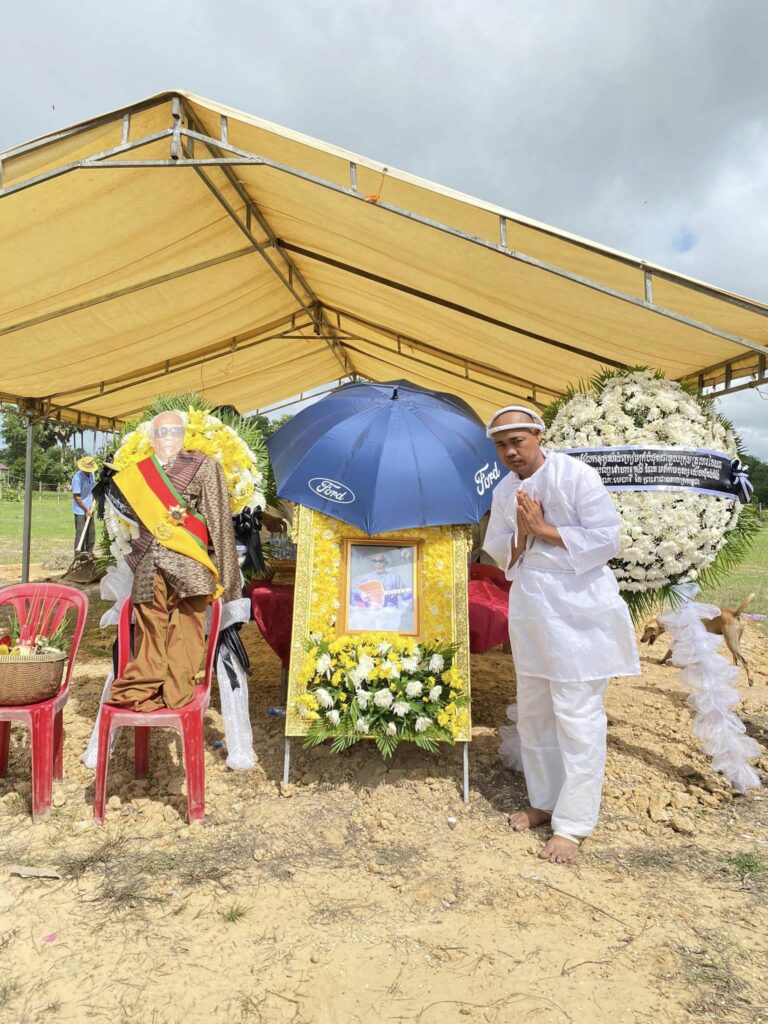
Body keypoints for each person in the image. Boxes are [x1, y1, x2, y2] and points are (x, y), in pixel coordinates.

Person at [483, 405, 639, 864]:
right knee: (534, 711)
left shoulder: (577, 476)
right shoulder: (504, 489)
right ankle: (545, 801)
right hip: (532, 606)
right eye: (501, 445)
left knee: (576, 714)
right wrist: (522, 534)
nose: (510, 452)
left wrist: (542, 529)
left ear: (537, 435)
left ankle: (572, 824)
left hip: (578, 607)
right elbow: (501, 553)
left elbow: (607, 539)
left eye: (517, 441)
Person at [107, 410, 241, 711]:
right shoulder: (136, 473)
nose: (167, 437)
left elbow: (220, 522)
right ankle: (143, 690)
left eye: (173, 432)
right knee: (149, 636)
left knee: (186, 635)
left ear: (184, 436)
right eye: (161, 433)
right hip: (149, 569)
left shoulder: (204, 466)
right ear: (152, 439)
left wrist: (230, 583)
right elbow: (127, 526)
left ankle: (175, 695)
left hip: (189, 567)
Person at [71, 456, 98, 553]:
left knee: (91, 533)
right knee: (81, 533)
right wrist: (86, 510)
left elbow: (92, 487)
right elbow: (76, 497)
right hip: (80, 510)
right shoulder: (77, 478)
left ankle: (89, 554)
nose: (89, 471)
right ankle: (79, 556)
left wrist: (93, 500)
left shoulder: (92, 474)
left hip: (90, 508)